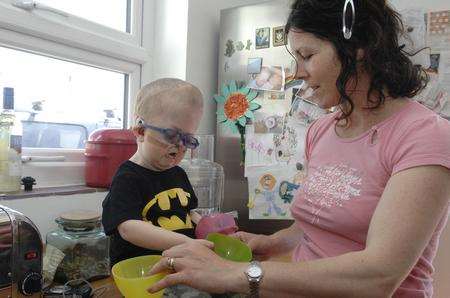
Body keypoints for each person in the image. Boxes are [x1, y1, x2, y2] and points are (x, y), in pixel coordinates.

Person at [147, 1, 450, 297]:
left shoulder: (425, 135)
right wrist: (273, 243)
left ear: (359, 49)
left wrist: (234, 274)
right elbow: (315, 227)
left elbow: (377, 277)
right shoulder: (321, 130)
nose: (297, 72)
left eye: (307, 55)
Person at [101, 78, 211, 266]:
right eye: (172, 135)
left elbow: (188, 213)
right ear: (141, 130)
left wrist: (210, 230)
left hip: (179, 265)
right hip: (142, 271)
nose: (180, 146)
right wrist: (187, 243)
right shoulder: (128, 177)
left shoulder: (178, 173)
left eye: (188, 139)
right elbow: (129, 228)